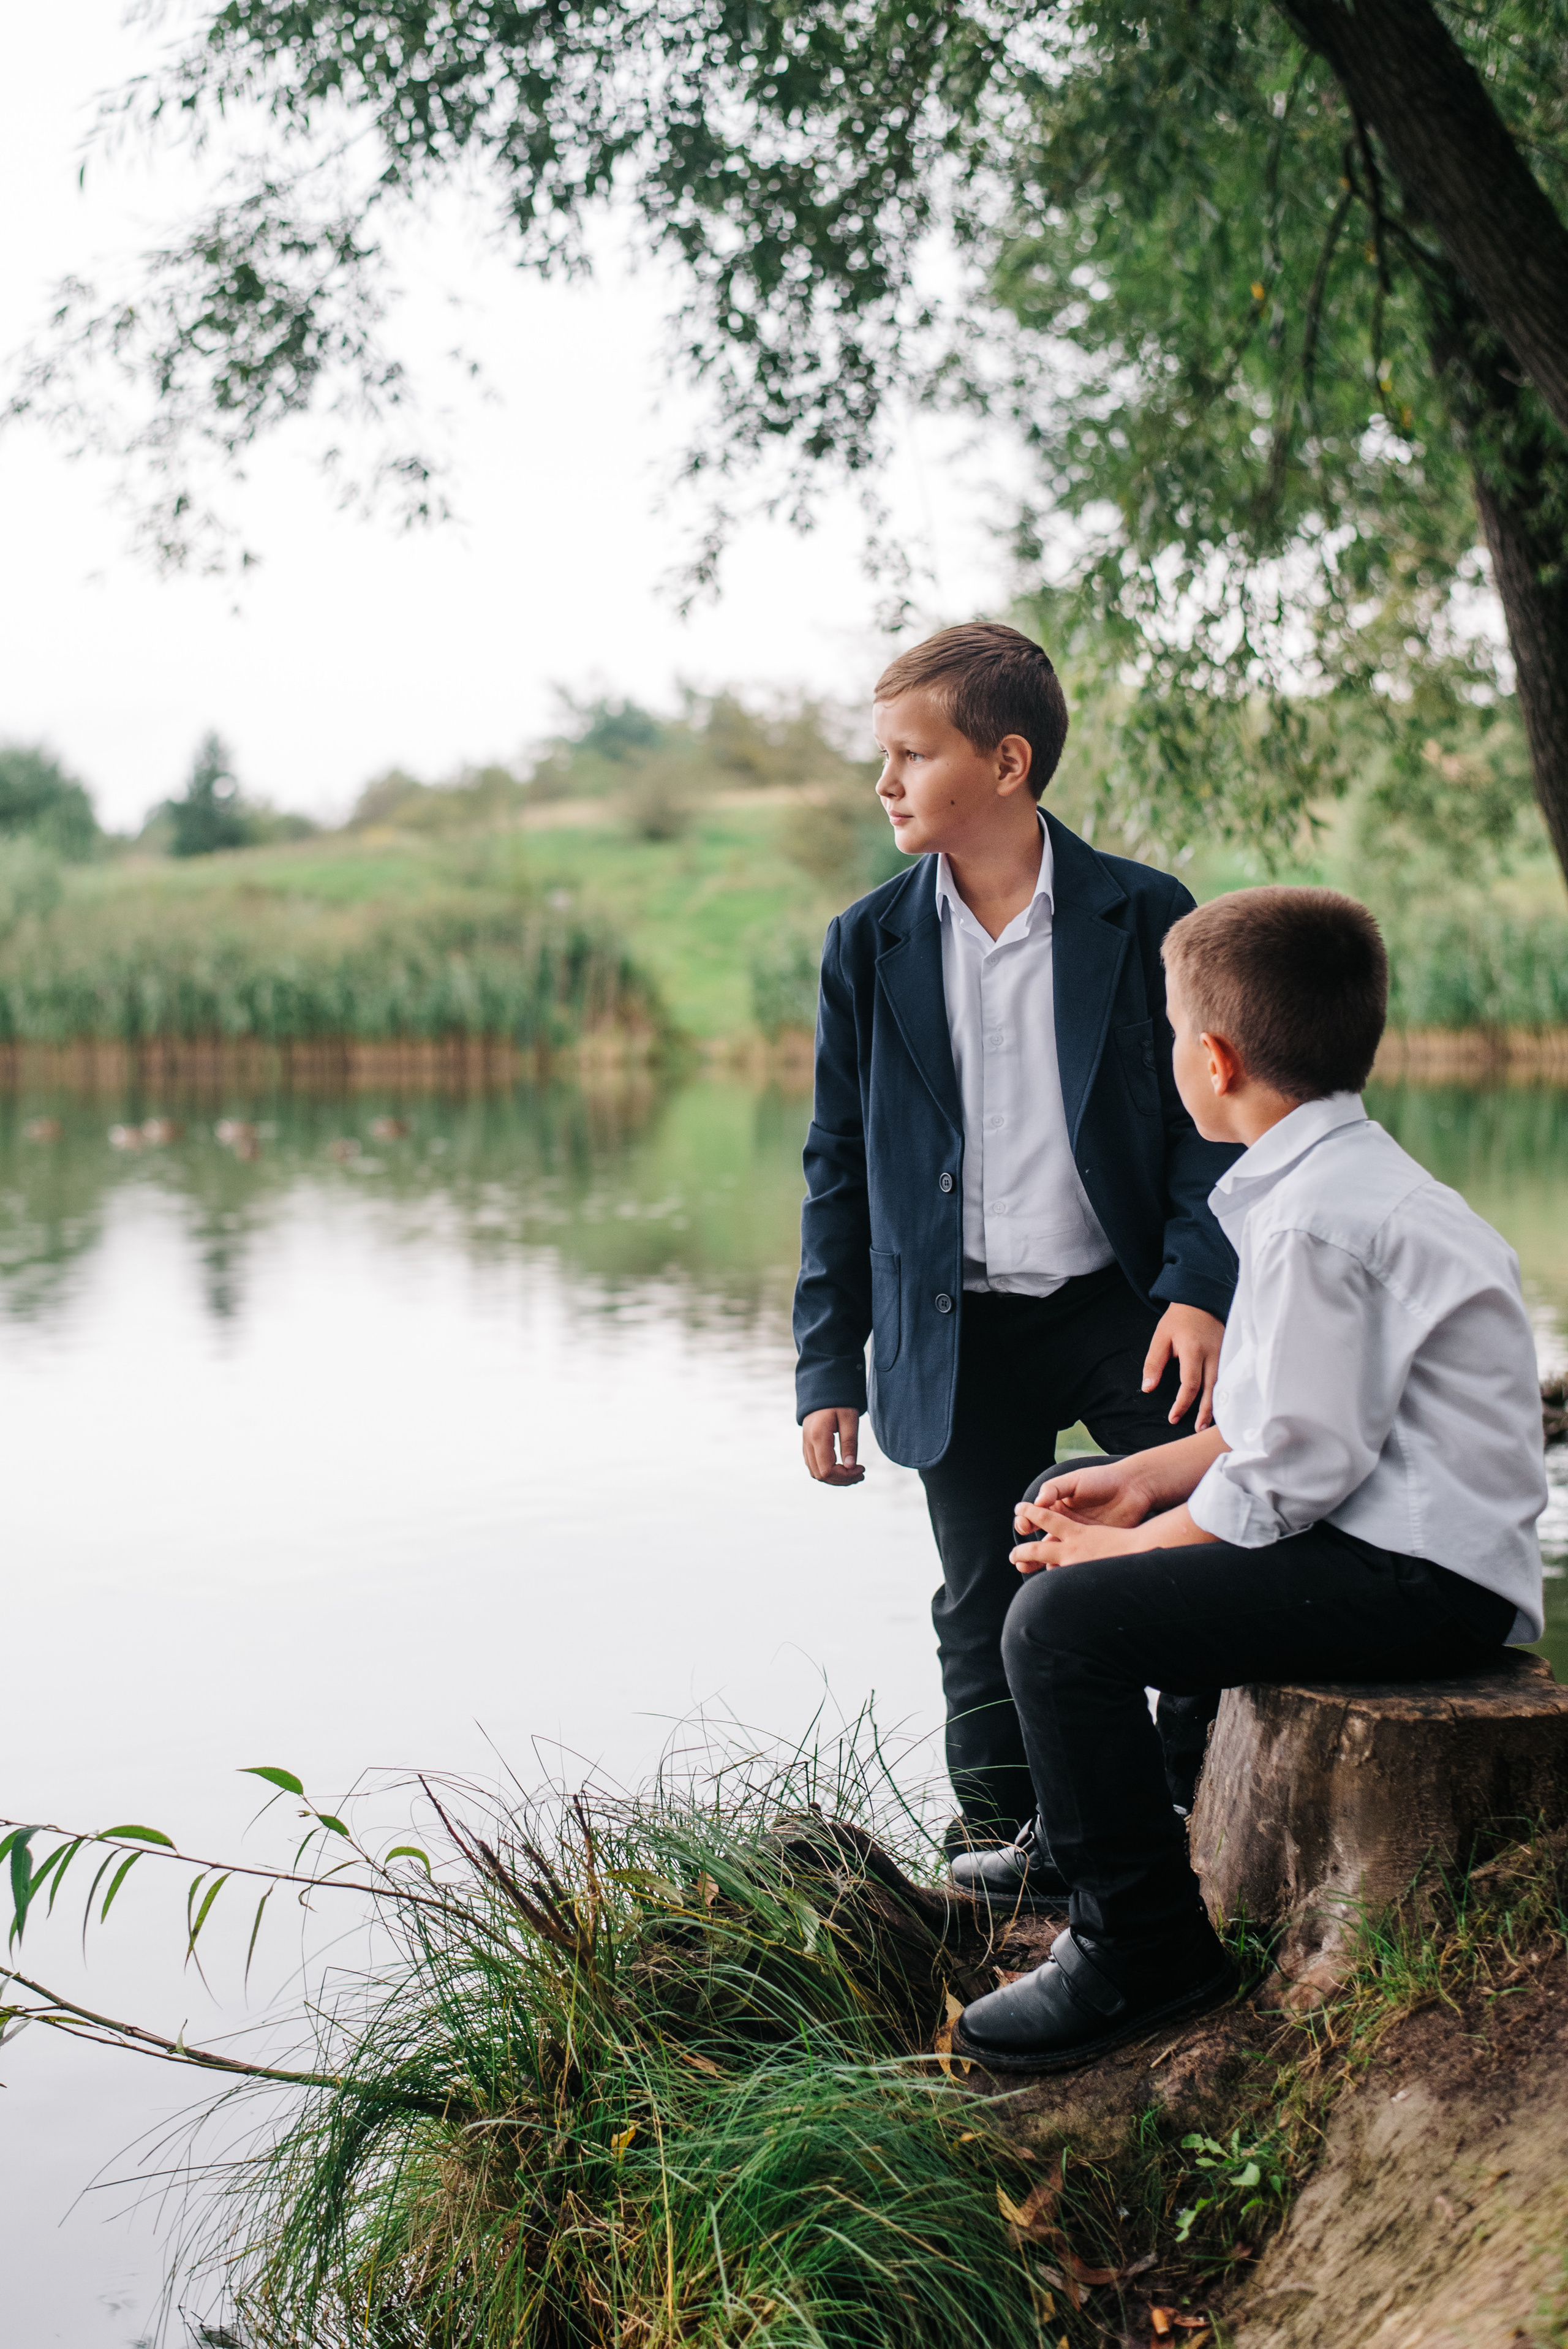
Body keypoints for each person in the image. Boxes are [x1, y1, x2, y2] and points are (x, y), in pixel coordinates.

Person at [952, 885, 1549, 2072]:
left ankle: (1140, 1947)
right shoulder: (1333, 1188)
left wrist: (1121, 1553)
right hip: (1391, 1540)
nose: (1170, 1055)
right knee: (1081, 1504)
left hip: (1418, 1580)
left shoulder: (1314, 1224)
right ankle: (1129, 1830)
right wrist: (1134, 1482)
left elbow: (1288, 1472)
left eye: (1171, 1034)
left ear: (1212, 1059)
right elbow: (1284, 1419)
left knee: (1055, 1626)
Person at [793, 621, 1241, 1846]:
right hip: (956, 1322)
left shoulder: (1147, 916)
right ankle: (999, 1848)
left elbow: (1211, 1134)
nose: (884, 782)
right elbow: (836, 1164)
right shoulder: (865, 945)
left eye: (909, 753)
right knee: (981, 1595)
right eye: (880, 755)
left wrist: (1198, 1289)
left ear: (1003, 762)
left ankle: (1183, 1810)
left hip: (1130, 1308)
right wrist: (827, 1363)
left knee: (1210, 1539)